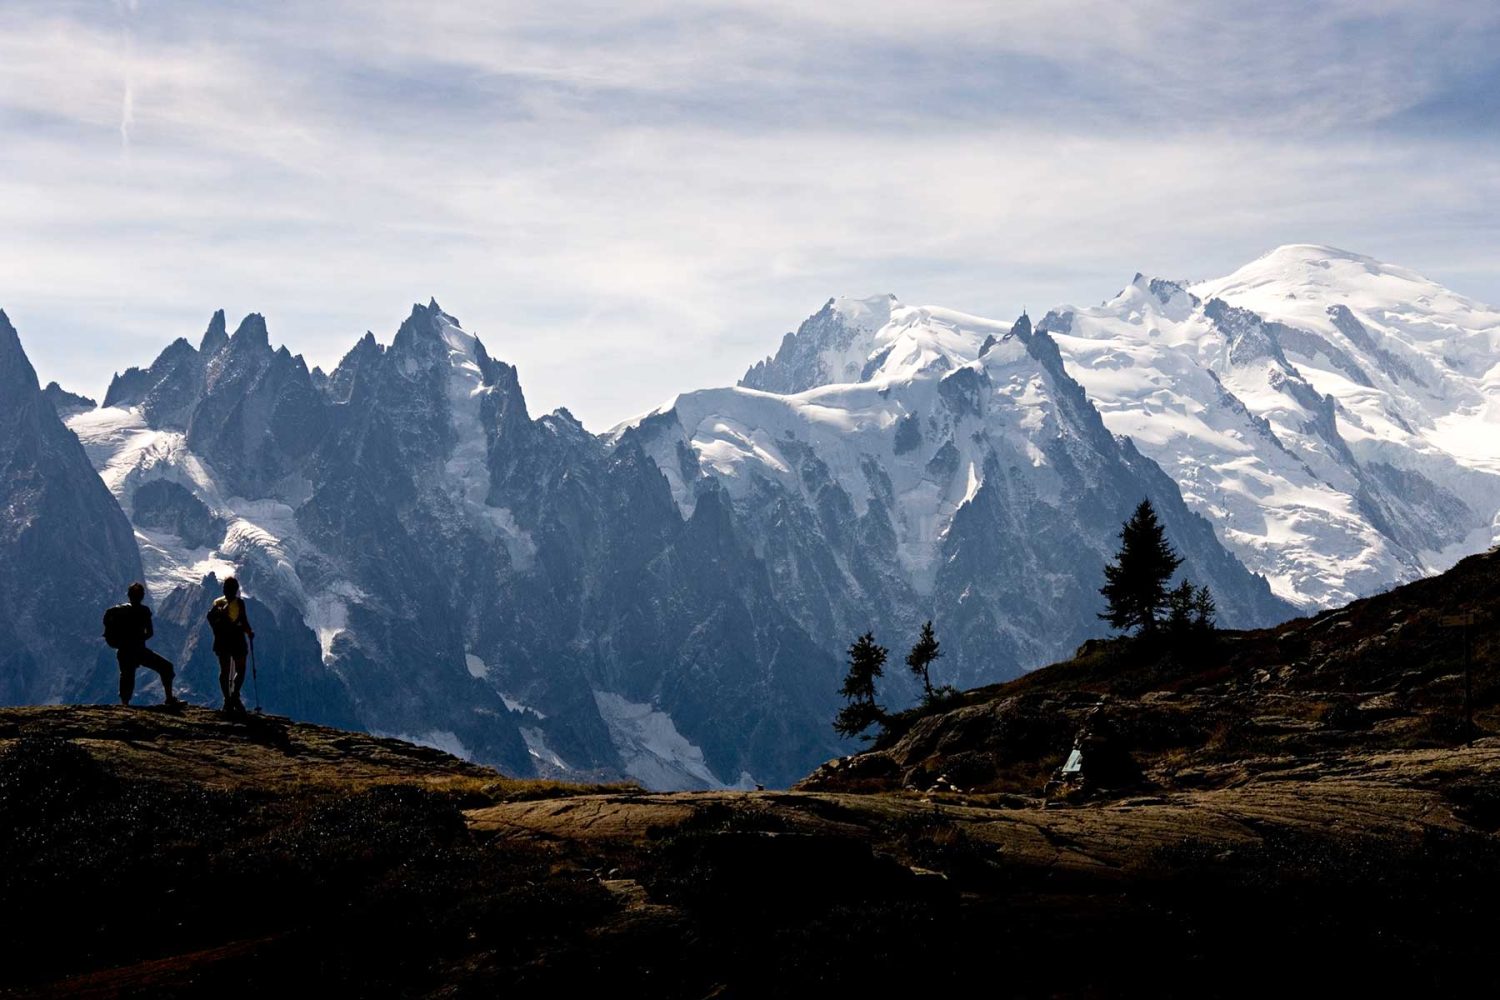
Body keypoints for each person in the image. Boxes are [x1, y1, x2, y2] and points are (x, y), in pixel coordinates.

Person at [115, 582, 181, 709]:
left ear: (128, 595)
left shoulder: (120, 610)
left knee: (126, 676)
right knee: (166, 667)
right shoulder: (144, 611)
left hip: (123, 651)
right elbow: (150, 633)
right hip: (139, 650)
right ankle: (169, 698)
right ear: (142, 596)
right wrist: (138, 639)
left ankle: (124, 705)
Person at [207, 576, 255, 713]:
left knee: (225, 670)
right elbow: (244, 620)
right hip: (236, 639)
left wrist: (217, 631)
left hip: (222, 640)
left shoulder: (218, 603)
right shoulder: (238, 603)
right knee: (240, 669)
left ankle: (228, 699)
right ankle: (234, 696)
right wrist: (249, 632)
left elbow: (210, 618)